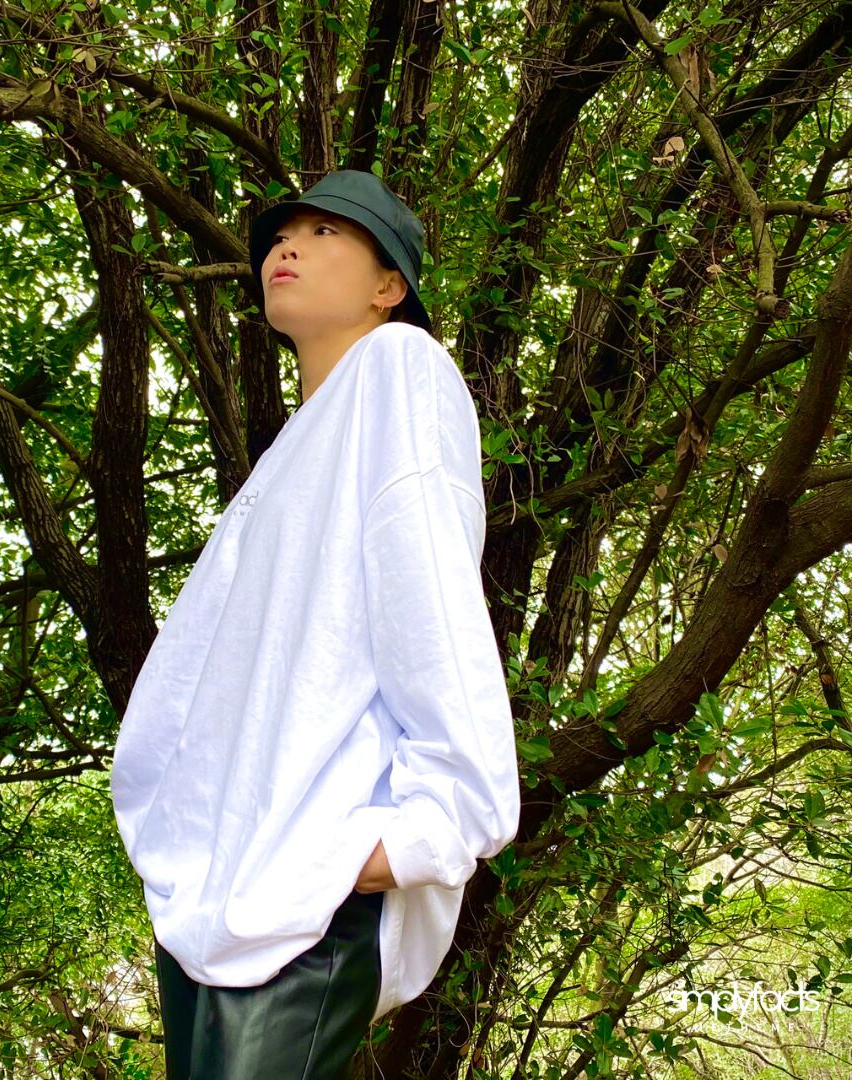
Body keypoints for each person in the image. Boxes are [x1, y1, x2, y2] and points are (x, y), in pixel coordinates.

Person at [110, 170, 520, 1079]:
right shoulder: (291, 456)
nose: (287, 246)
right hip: (215, 897)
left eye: (327, 231)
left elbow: (431, 598)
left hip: (310, 900)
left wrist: (409, 834)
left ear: (389, 286)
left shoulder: (399, 368)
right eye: (281, 234)